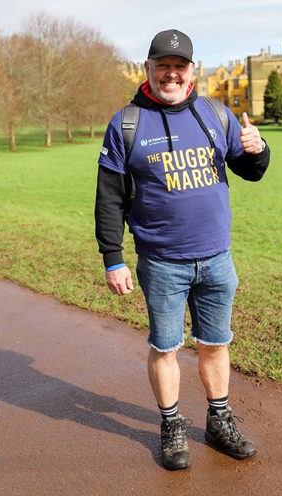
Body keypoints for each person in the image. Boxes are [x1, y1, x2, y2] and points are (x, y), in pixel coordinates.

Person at [95, 29, 270, 471]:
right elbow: (109, 197)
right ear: (148, 68)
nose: (171, 74)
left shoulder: (215, 113)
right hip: (161, 262)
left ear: (192, 70)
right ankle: (172, 425)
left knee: (215, 344)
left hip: (216, 258)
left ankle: (219, 420)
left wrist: (259, 149)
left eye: (179, 66)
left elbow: (250, 171)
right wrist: (112, 258)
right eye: (162, 65)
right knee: (166, 347)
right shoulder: (127, 123)